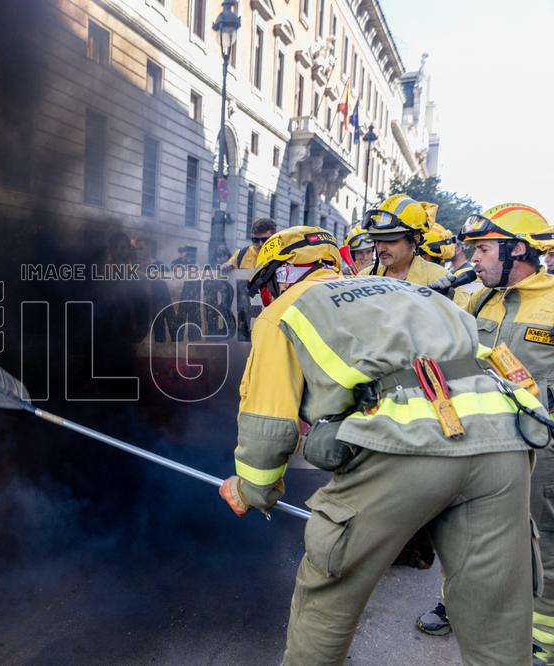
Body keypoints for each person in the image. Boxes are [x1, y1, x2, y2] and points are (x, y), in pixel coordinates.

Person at [219, 225, 549, 664]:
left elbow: (269, 424)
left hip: (407, 446)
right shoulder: (409, 293)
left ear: (283, 274)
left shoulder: (285, 310)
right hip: (502, 447)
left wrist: (252, 489)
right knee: (496, 619)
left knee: (327, 590)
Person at [415, 204, 554, 664]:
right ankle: (457, 606)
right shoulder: (479, 300)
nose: (473, 258)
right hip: (479, 441)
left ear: (518, 250)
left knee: (543, 541)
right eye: (472, 249)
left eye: (484, 249)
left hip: (542, 449)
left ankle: (543, 637)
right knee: (464, 530)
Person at [358, 195, 452, 285]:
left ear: (415, 240)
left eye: (390, 241)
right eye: (377, 240)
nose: (381, 248)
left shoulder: (439, 277)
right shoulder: (364, 277)